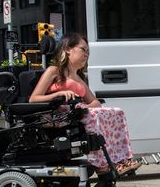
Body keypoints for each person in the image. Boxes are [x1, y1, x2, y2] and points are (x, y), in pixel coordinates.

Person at [29, 33, 142, 176]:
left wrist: (86, 107)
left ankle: (123, 159)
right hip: (55, 115)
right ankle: (103, 165)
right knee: (93, 116)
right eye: (83, 49)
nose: (87, 54)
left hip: (75, 114)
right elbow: (33, 99)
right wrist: (57, 94)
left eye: (88, 51)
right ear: (67, 49)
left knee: (116, 112)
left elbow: (94, 102)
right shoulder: (54, 71)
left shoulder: (78, 78)